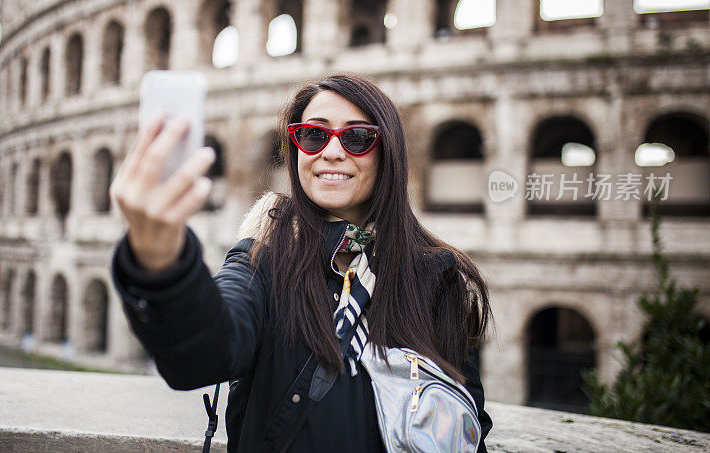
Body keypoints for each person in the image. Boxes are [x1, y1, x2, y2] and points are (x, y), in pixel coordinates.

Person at [110, 73, 492, 452]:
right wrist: (161, 261)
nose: (332, 152)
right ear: (297, 149)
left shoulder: (437, 278)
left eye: (357, 137)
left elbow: (465, 417)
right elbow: (204, 351)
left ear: (387, 152)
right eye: (314, 134)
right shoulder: (266, 255)